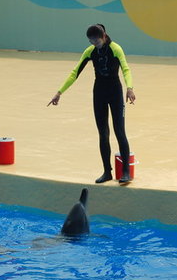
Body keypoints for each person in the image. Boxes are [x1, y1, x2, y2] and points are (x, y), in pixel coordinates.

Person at [48, 24, 136, 184]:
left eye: (96, 41)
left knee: (119, 131)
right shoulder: (90, 52)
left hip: (115, 93)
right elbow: (75, 72)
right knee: (103, 134)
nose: (94, 44)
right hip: (99, 93)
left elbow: (126, 69)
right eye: (91, 41)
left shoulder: (116, 49)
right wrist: (59, 92)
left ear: (104, 36)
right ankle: (107, 172)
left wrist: (129, 88)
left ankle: (126, 172)